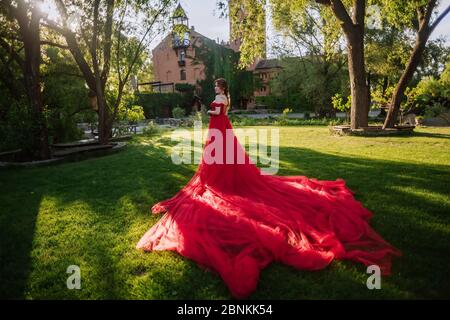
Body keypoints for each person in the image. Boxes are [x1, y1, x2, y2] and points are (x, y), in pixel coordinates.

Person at [136, 77, 401, 299]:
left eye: (217, 86)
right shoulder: (225, 98)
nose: (215, 89)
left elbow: (217, 112)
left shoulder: (220, 100)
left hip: (219, 125)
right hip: (221, 128)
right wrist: (213, 112)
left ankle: (221, 178)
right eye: (215, 87)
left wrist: (209, 110)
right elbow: (220, 112)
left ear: (221, 88)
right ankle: (220, 174)